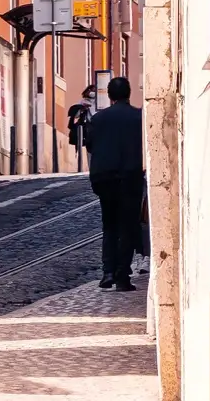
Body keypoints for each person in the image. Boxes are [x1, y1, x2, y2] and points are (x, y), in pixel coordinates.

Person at [84, 76, 144, 292]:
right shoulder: (139, 117)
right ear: (128, 93)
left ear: (109, 96)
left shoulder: (98, 119)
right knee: (127, 226)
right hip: (129, 177)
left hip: (104, 178)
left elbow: (90, 146)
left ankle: (107, 272)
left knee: (109, 225)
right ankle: (122, 276)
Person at [67, 87, 95, 173]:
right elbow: (76, 115)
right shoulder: (84, 101)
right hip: (90, 126)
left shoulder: (102, 99)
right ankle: (92, 168)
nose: (91, 92)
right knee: (90, 147)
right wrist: (82, 108)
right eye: (90, 90)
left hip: (95, 125)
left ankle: (94, 168)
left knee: (92, 148)